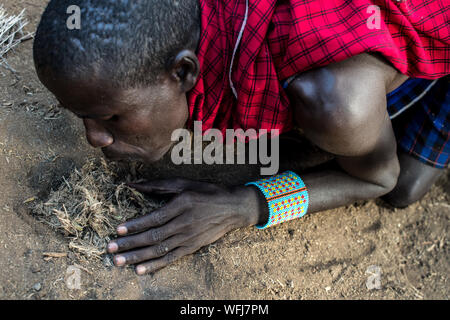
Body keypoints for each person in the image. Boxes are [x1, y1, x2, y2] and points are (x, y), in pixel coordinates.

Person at [33, 0, 449, 275]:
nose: (94, 138)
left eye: (111, 118)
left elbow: (380, 178)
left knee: (404, 186)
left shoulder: (334, 101)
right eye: (80, 116)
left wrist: (246, 204)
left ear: (183, 73)